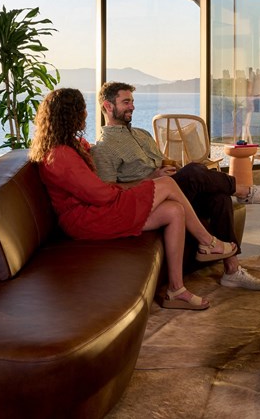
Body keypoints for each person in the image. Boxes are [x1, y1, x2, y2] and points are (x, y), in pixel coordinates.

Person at [29, 88, 235, 311]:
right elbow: (99, 194)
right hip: (86, 219)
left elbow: (96, 186)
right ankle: (208, 242)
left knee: (174, 210)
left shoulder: (69, 146)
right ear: (69, 115)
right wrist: (135, 188)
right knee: (166, 184)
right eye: (82, 110)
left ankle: (176, 290)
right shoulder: (59, 155)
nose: (86, 115)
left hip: (96, 209)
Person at [91, 81, 260, 291]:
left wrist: (173, 168)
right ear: (108, 106)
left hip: (174, 190)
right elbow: (109, 190)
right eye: (126, 102)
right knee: (193, 171)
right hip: (151, 200)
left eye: (133, 101)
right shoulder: (104, 147)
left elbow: (163, 162)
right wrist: (151, 179)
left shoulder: (141, 134)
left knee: (219, 197)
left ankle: (232, 270)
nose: (133, 107)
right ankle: (246, 191)